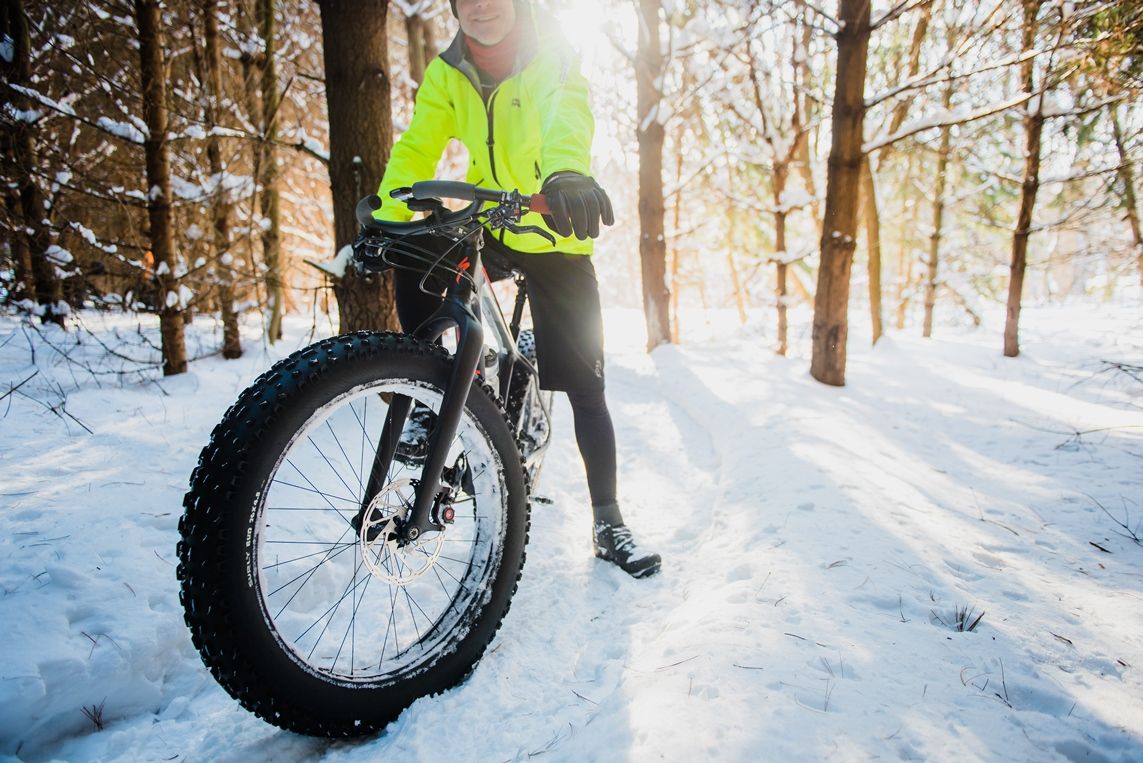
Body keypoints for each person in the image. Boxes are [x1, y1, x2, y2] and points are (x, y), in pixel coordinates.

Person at [373, 0, 660, 578]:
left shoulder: (552, 51)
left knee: (584, 384)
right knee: (415, 249)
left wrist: (564, 175)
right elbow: (415, 148)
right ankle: (440, 384)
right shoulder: (448, 71)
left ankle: (609, 521)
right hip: (492, 221)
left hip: (554, 229)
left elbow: (566, 117)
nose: (480, 6)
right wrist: (385, 212)